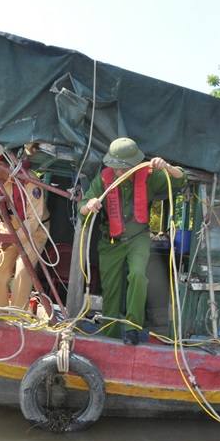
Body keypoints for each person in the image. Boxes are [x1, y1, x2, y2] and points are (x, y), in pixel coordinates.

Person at [80, 137, 185, 344]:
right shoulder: (103, 179)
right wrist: (89, 204)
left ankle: (132, 328)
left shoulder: (150, 176)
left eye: (123, 167)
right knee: (111, 288)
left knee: (138, 275)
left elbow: (181, 179)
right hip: (110, 242)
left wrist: (168, 167)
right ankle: (109, 332)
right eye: (115, 167)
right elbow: (82, 208)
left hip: (138, 238)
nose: (118, 171)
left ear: (135, 164)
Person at [0, 142, 49, 310]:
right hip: (7, 229)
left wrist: (11, 239)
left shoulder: (28, 180)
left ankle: (18, 320)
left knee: (23, 270)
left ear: (2, 166)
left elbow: (33, 220)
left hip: (35, 230)